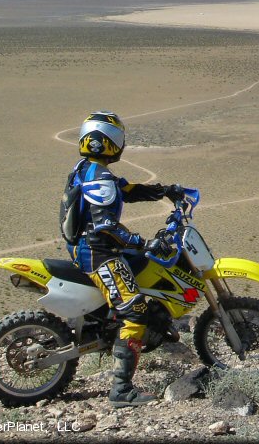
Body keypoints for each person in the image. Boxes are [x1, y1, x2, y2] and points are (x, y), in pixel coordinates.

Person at [59, 110, 188, 407]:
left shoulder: (87, 168)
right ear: (110, 142)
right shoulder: (98, 175)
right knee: (135, 309)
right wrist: (143, 243)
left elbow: (124, 190)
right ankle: (121, 389)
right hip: (98, 255)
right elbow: (106, 226)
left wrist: (165, 191)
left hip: (88, 248)